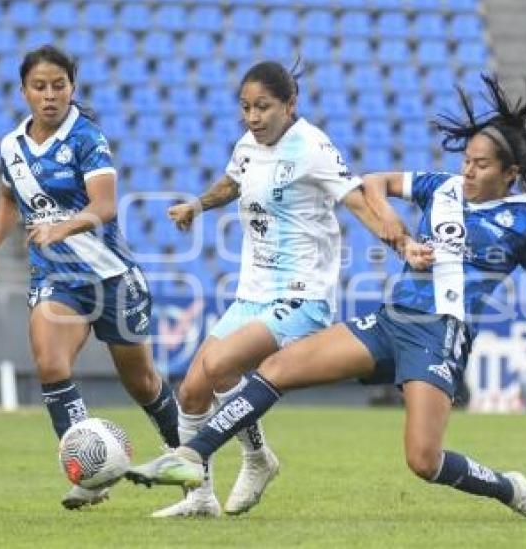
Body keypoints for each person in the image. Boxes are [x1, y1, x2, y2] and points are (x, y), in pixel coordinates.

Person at [126, 74, 526, 521]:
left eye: (480, 164)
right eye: (467, 159)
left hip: (439, 336)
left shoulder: (523, 226)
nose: (469, 170)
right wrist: (394, 228)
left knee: (423, 462)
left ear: (510, 173)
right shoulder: (443, 187)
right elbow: (373, 183)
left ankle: (509, 487)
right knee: (276, 369)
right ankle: (191, 457)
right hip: (391, 320)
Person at [146, 60, 395, 518]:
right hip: (254, 291)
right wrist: (197, 206)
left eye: (263, 107)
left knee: (221, 363)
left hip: (302, 293)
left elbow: (357, 200)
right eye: (245, 107)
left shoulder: (313, 147)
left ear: (290, 104)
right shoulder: (248, 144)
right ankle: (202, 497)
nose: (253, 117)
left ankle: (255, 459)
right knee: (193, 389)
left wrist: (400, 241)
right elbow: (233, 182)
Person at [0, 45, 183, 509]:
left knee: (142, 381)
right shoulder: (12, 146)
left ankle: (183, 452)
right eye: (39, 86)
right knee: (50, 363)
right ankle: (90, 475)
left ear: (73, 87)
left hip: (110, 277)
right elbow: (9, 199)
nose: (50, 95)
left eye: (58, 85)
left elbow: (104, 206)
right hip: (56, 278)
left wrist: (61, 227)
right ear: (23, 91)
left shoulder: (87, 138)